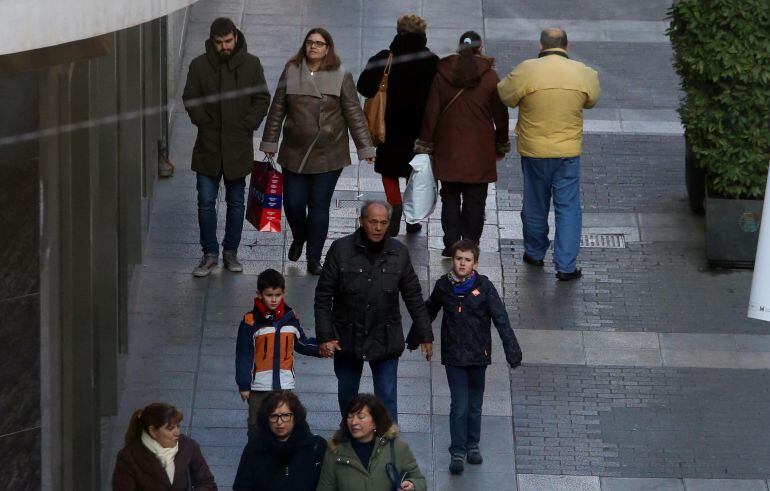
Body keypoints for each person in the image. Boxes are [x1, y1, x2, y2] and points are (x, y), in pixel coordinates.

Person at [260, 28, 376, 275]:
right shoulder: (291, 72)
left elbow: (354, 113)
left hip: (328, 153)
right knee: (292, 203)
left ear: (327, 48)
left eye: (319, 43)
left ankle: (314, 258)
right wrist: (270, 143)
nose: (313, 47)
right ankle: (300, 236)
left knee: (319, 205)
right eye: (310, 42)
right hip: (294, 151)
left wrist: (365, 147)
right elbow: (277, 109)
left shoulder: (340, 76)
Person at [314, 201, 433, 421]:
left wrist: (425, 334)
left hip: (385, 336)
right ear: (361, 222)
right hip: (347, 337)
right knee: (348, 397)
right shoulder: (341, 249)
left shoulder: (399, 253)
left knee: (387, 398)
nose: (378, 228)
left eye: (383, 223)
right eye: (373, 222)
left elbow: (414, 296)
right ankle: (351, 443)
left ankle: (387, 449)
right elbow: (323, 295)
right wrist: (325, 336)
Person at [497, 27, 600, 281]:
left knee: (534, 203)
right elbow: (592, 100)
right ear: (568, 45)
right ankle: (565, 266)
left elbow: (504, 95)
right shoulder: (583, 72)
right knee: (568, 208)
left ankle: (534, 253)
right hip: (567, 152)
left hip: (534, 151)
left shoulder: (527, 70)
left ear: (540, 46)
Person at [421, 239, 522, 474]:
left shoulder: (485, 287)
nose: (462, 263)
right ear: (453, 261)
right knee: (459, 405)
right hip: (454, 356)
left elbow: (501, 319)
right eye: (458, 259)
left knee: (475, 405)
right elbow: (429, 310)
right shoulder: (443, 286)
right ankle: (457, 451)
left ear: (475, 263)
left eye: (467, 260)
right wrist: (417, 337)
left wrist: (512, 351)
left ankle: (472, 445)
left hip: (478, 356)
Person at [183, 17, 271, 277]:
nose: (224, 47)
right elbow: (190, 97)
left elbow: (261, 98)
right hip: (208, 146)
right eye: (219, 43)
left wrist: (248, 124)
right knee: (206, 202)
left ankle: (230, 252)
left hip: (237, 146)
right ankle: (209, 253)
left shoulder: (251, 64)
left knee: (236, 202)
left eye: (228, 41)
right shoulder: (199, 65)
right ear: (213, 41)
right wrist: (203, 121)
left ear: (235, 37)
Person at [414, 31, 510, 257]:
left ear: (459, 47)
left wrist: (426, 142)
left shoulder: (443, 74)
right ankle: (470, 243)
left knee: (449, 195)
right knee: (476, 201)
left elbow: (431, 112)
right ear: (480, 47)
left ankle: (451, 242)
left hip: (448, 147)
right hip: (479, 149)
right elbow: (500, 115)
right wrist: (501, 143)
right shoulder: (490, 77)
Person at [357, 13, 439, 236]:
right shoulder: (432, 61)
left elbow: (363, 87)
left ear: (398, 32)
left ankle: (395, 207)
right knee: (416, 173)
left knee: (390, 172)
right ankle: (412, 218)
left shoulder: (386, 58)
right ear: (423, 35)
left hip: (389, 128)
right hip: (420, 130)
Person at [235, 268, 325, 437]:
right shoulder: (250, 322)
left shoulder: (290, 319)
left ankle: (282, 457)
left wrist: (321, 349)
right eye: (269, 295)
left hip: (284, 385)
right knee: (256, 425)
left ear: (284, 292)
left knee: (284, 423)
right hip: (258, 386)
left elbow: (302, 343)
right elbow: (244, 354)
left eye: (277, 294)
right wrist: (244, 384)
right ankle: (257, 456)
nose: (274, 299)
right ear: (259, 294)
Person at [316, 394, 426, 491]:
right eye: (350, 417)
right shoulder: (335, 452)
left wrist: (413, 485)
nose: (354, 422)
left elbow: (420, 481)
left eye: (361, 417)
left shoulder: (398, 448)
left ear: (375, 422)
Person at [233, 391, 326, 490]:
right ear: (266, 418)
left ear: (295, 416)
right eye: (274, 416)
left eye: (285, 415)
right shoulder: (255, 448)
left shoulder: (315, 447)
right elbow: (241, 486)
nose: (279, 422)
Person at [112, 402, 217, 490]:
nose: (177, 432)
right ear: (153, 431)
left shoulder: (188, 446)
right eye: (170, 428)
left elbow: (207, 483)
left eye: (178, 426)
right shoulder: (129, 458)